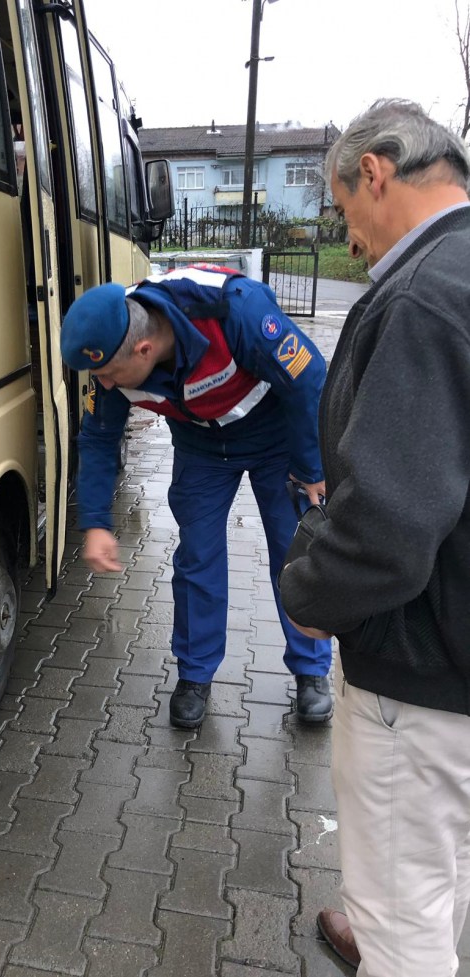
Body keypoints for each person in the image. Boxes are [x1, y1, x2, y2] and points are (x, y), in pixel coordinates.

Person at [279, 98, 470, 977]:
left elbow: (386, 526)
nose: (346, 235)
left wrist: (309, 593)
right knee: (442, 861)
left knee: (398, 919)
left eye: (340, 207)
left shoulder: (423, 296)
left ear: (375, 172)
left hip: (418, 667)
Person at [60, 264, 334, 729]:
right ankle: (195, 675)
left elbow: (308, 378)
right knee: (197, 560)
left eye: (107, 375)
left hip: (275, 441)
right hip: (202, 449)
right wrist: (96, 521)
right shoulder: (113, 350)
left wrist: (312, 468)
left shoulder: (234, 310)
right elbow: (99, 437)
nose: (103, 384)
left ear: (144, 349)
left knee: (295, 553)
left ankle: (311, 670)